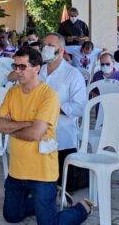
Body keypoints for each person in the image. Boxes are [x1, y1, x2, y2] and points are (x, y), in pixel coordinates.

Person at [0, 46, 92, 225]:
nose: (17, 71)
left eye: (22, 67)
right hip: (17, 170)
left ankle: (82, 208)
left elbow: (35, 134)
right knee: (11, 216)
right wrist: (27, 124)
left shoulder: (48, 95)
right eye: (15, 66)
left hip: (42, 171)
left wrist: (11, 128)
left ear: (36, 68)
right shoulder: (12, 93)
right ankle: (50, 199)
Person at [38, 34, 88, 195]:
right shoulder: (38, 71)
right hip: (36, 135)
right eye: (43, 45)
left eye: (50, 45)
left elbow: (80, 107)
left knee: (62, 187)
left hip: (62, 139)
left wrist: (53, 108)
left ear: (61, 50)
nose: (45, 48)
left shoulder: (73, 75)